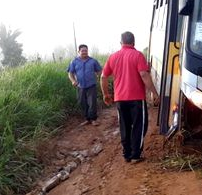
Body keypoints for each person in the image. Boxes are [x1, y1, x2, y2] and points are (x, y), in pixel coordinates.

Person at [100, 31, 160, 163]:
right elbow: (144, 75)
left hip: (120, 98)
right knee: (139, 125)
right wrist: (155, 93)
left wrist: (106, 94)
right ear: (134, 42)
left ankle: (127, 154)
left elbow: (103, 77)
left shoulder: (113, 57)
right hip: (136, 98)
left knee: (124, 126)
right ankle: (135, 155)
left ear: (121, 43)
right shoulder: (138, 55)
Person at [67, 44, 102, 126]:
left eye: (86, 51)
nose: (84, 52)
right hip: (80, 86)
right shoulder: (74, 62)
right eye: (82, 51)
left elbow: (99, 71)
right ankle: (87, 119)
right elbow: (70, 73)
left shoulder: (93, 61)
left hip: (91, 85)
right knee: (82, 103)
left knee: (92, 103)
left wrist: (98, 76)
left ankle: (93, 119)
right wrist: (73, 81)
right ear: (78, 52)